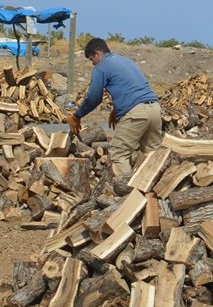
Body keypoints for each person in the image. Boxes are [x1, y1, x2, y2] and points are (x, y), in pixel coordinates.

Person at [65, 37, 163, 193]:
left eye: (92, 59)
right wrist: (117, 110)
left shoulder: (101, 67)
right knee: (151, 154)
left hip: (136, 113)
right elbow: (131, 87)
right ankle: (155, 194)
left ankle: (130, 198)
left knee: (118, 154)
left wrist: (77, 115)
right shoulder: (126, 61)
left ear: (97, 54)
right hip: (155, 108)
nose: (92, 63)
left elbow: (94, 97)